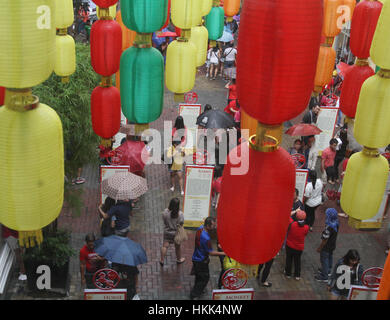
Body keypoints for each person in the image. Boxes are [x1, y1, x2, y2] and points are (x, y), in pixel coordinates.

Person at [190, 217, 225, 300]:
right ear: (208, 226)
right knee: (204, 278)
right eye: (213, 225)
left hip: (196, 257)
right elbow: (211, 252)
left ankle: (198, 290)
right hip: (201, 261)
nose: (215, 227)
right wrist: (223, 253)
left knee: (199, 276)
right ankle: (195, 294)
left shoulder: (200, 228)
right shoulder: (206, 238)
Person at [315, 208, 339, 282]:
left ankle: (324, 276)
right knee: (329, 257)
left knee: (324, 260)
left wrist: (320, 248)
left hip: (326, 247)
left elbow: (325, 239)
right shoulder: (336, 223)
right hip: (332, 245)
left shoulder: (328, 227)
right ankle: (328, 270)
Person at [160, 198, 186, 266]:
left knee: (165, 246)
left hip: (167, 232)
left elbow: (164, 220)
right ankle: (179, 259)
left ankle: (162, 260)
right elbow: (181, 223)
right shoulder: (180, 214)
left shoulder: (165, 212)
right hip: (176, 233)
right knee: (177, 247)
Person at [284, 210, 309, 280]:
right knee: (297, 261)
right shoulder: (306, 227)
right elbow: (305, 234)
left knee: (289, 259)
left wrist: (295, 211)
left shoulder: (292, 224)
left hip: (289, 245)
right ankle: (297, 275)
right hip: (299, 247)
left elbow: (287, 215)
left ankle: (288, 273)